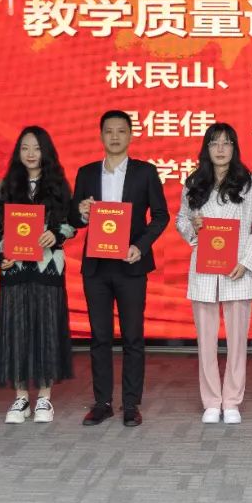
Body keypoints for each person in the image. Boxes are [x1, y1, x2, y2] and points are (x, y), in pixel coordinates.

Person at [70, 110, 170, 427]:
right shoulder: (87, 173)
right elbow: (73, 220)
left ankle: (130, 404)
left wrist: (140, 246)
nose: (115, 136)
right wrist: (81, 213)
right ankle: (102, 402)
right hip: (97, 268)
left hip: (131, 265)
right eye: (109, 131)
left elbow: (161, 215)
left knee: (133, 337)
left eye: (121, 131)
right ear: (101, 135)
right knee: (100, 337)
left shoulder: (145, 172)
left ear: (130, 135)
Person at [175, 123, 252, 424]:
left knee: (237, 341)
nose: (220, 149)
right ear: (206, 148)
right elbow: (181, 221)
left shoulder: (249, 183)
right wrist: (193, 228)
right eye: (214, 143)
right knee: (206, 341)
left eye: (227, 143)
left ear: (234, 148)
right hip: (204, 270)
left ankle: (232, 401)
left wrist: (247, 262)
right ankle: (212, 401)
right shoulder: (194, 183)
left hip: (236, 271)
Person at [0, 126, 76, 424]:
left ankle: (44, 398)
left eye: (37, 148)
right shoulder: (6, 186)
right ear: (18, 152)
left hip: (47, 268)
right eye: (25, 148)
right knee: (15, 330)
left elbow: (72, 223)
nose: (30, 153)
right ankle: (20, 398)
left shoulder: (59, 185)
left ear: (46, 152)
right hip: (15, 269)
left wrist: (57, 234)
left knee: (46, 329)